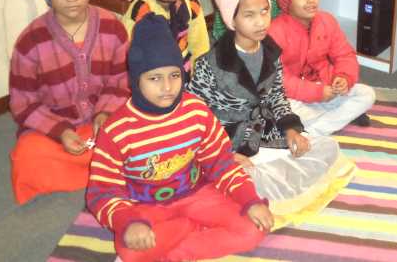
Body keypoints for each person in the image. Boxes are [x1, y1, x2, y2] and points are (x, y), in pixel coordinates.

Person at [86, 13, 272, 262]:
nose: (167, 87)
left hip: (198, 194)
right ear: (135, 80)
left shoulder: (196, 111)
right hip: (146, 207)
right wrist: (128, 222)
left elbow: (222, 163)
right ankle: (188, 227)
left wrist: (250, 200)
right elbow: (102, 191)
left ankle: (181, 252)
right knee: (130, 252)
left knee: (253, 228)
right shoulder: (116, 130)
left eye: (174, 75)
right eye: (154, 78)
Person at [189, 0, 351, 225]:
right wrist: (225, 155)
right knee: (238, 174)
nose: (261, 22)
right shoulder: (210, 64)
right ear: (231, 19)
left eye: (264, 12)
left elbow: (277, 96)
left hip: (263, 131)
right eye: (249, 15)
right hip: (227, 142)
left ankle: (261, 180)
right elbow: (195, 116)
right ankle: (246, 182)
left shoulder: (271, 52)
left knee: (325, 147)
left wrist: (291, 131)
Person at [8, 0, 129, 205]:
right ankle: (103, 168)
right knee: (27, 158)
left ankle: (100, 163)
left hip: (104, 123)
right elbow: (23, 103)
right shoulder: (30, 41)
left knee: (144, 131)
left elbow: (122, 81)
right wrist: (60, 131)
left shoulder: (113, 27)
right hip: (56, 129)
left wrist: (105, 114)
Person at [268, 0, 376, 136]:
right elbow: (278, 79)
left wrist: (343, 78)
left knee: (367, 94)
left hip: (328, 89)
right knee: (276, 111)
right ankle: (334, 119)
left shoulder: (326, 21)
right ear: (286, 2)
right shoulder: (275, 31)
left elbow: (345, 55)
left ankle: (310, 130)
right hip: (296, 97)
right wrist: (315, 93)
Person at [121, 0, 209, 77]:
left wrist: (199, 78)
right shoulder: (140, 12)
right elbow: (130, 58)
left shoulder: (190, 4)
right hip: (153, 75)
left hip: (187, 71)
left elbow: (200, 48)